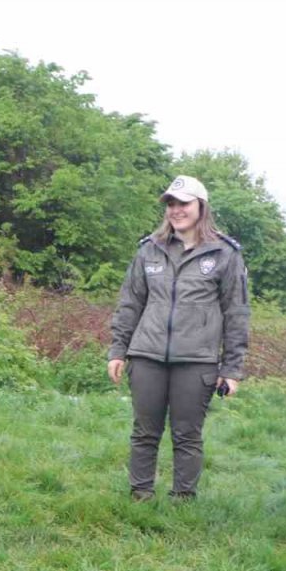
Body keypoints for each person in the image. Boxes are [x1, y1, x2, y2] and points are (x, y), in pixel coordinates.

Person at [106, 175, 250, 501]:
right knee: (145, 433)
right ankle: (140, 497)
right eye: (171, 203)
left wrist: (231, 369)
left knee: (187, 435)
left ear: (201, 206)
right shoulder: (149, 250)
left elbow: (237, 314)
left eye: (183, 203)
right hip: (146, 356)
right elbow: (130, 303)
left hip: (196, 361)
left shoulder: (225, 254)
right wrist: (118, 350)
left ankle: (183, 502)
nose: (176, 210)